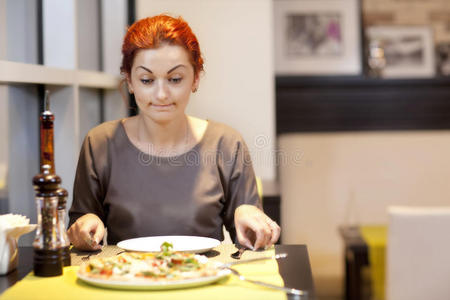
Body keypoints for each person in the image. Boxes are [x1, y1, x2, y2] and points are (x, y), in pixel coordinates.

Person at [67, 14, 280, 251]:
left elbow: (249, 235)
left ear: (196, 78)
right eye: (147, 80)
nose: (161, 94)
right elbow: (80, 227)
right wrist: (86, 224)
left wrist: (248, 213)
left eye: (175, 79)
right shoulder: (99, 143)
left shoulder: (226, 144)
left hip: (204, 281)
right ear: (129, 81)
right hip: (126, 281)